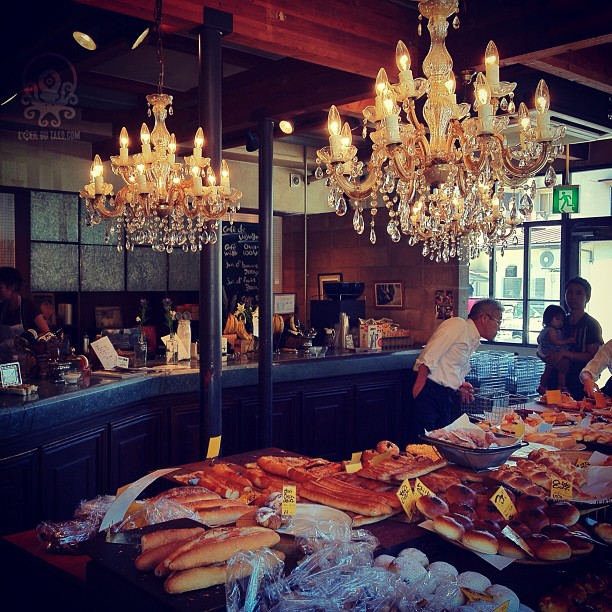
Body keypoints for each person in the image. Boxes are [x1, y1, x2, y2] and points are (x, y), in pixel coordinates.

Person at [407, 298, 504, 441]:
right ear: (484, 318)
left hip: (442, 394)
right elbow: (431, 353)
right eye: (498, 321)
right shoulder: (458, 325)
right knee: (424, 441)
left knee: (442, 441)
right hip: (428, 389)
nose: (499, 327)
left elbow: (450, 364)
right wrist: (420, 387)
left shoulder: (473, 338)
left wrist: (459, 383)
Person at [543, 277, 603, 400]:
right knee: (550, 417)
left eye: (579, 293)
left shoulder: (591, 325)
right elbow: (545, 346)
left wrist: (565, 354)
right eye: (569, 292)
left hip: (579, 383)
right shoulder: (560, 321)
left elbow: (593, 357)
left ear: (588, 297)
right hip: (555, 381)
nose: (573, 296)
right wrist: (554, 361)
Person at [0, 267, 50, 362]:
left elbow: (47, 333)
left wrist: (25, 341)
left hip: (27, 364)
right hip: (5, 363)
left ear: (12, 286)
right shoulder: (1, 308)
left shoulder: (30, 307)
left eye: (0, 287)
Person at [536, 304, 576, 395]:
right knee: (562, 369)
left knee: (547, 370)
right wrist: (568, 340)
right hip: (552, 352)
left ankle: (542, 386)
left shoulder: (545, 330)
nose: (560, 322)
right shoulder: (551, 331)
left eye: (562, 320)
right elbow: (556, 342)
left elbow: (538, 340)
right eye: (557, 319)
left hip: (547, 352)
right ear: (548, 318)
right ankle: (562, 386)